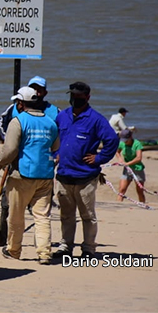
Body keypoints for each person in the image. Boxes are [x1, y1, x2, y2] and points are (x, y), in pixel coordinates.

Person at [0, 86, 59, 265]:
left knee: (16, 215)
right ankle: (44, 253)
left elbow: (10, 150)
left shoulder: (18, 121)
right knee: (42, 216)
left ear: (21, 103)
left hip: (22, 175)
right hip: (45, 175)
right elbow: (55, 147)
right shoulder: (50, 122)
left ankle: (14, 250)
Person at [53, 81, 119, 259]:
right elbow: (55, 137)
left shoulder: (96, 119)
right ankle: (66, 245)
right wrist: (57, 153)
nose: (74, 99)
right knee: (66, 215)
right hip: (64, 175)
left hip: (85, 177)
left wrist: (99, 158)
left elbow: (112, 140)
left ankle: (88, 248)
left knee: (87, 216)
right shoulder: (63, 116)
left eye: (78, 97)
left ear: (87, 97)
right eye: (72, 96)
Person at [116, 129, 145, 204]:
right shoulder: (122, 143)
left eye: (126, 140)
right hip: (127, 170)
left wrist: (128, 163)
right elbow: (117, 152)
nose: (125, 142)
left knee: (139, 191)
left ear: (131, 137)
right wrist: (120, 159)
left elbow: (139, 158)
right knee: (122, 189)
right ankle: (118, 206)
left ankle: (143, 205)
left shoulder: (137, 144)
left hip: (137, 169)